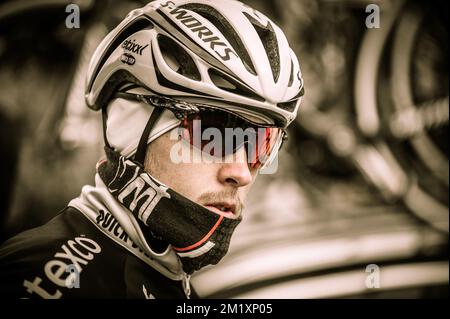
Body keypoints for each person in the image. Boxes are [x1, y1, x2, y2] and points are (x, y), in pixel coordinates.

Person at [0, 0, 304, 299]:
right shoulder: (39, 275)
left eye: (262, 143)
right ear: (129, 126)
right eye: (216, 133)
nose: (241, 173)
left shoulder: (167, 275)